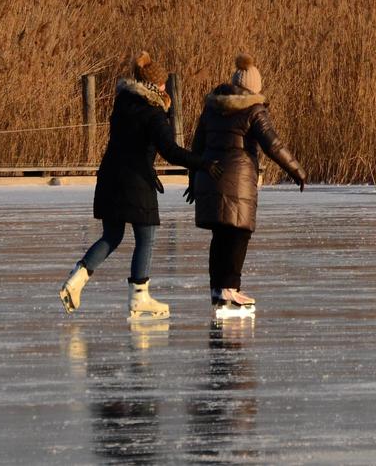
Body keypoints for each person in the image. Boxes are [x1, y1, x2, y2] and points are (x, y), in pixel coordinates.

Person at [60, 51, 220, 320]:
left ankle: (76, 279)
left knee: (112, 236)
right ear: (156, 86)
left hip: (110, 177)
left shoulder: (123, 103)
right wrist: (203, 163)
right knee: (146, 236)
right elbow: (170, 151)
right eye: (162, 85)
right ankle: (139, 298)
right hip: (135, 183)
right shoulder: (153, 113)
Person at [187, 55, 306, 314]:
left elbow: (197, 146)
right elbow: (272, 144)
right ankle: (230, 288)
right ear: (255, 87)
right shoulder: (254, 110)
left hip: (209, 177)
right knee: (239, 232)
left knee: (220, 234)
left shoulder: (212, 107)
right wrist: (296, 169)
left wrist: (192, 179)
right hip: (237, 182)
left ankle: (218, 289)